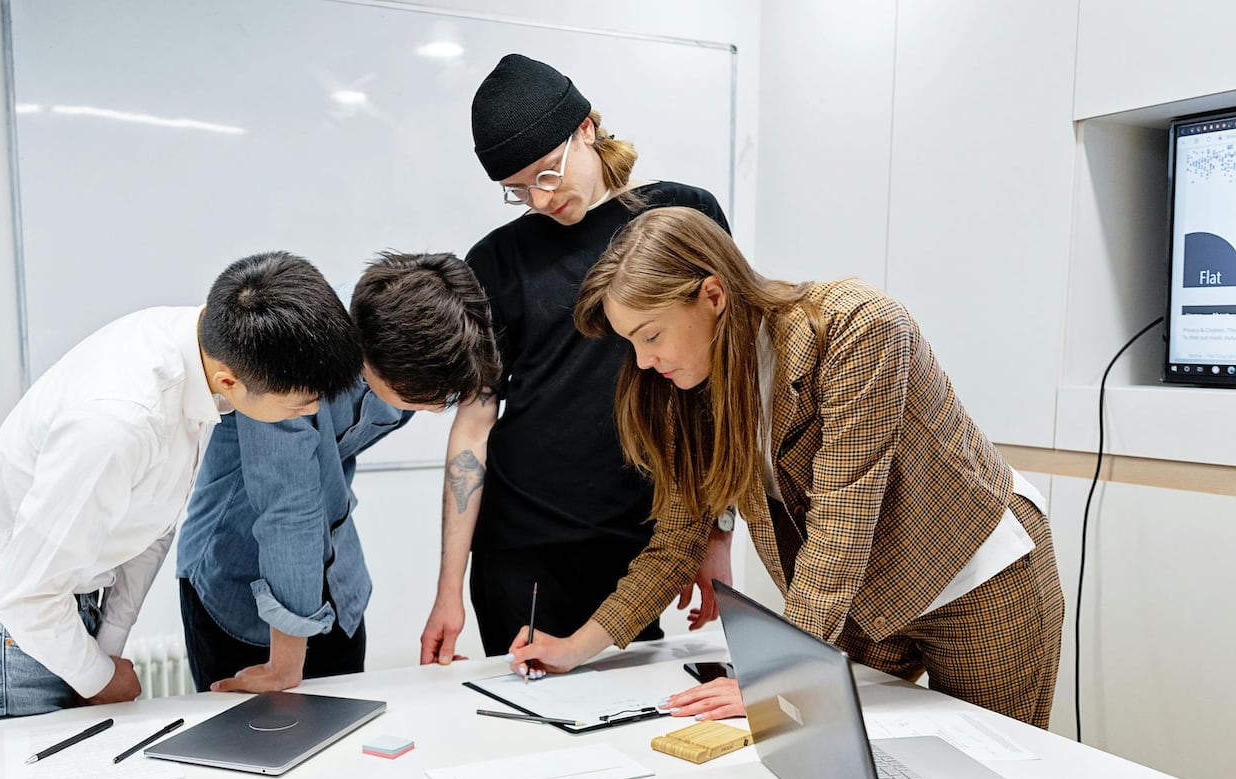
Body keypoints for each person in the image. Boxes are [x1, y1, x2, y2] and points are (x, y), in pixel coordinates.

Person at [513, 206, 1064, 729]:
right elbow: (677, 542)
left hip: (977, 579)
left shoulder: (856, 328)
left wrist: (778, 679)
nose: (643, 361)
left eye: (651, 335)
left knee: (989, 771)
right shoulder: (687, 385)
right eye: (631, 344)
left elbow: (840, 521)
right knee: (836, 759)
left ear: (713, 294)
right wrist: (574, 647)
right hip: (861, 607)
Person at [0, 252, 363, 725]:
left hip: (49, 611)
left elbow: (151, 522)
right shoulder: (118, 420)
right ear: (232, 381)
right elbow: (26, 595)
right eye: (300, 405)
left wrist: (109, 647)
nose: (310, 416)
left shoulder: (200, 358)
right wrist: (102, 677)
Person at [420, 54, 735, 666]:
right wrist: (447, 589)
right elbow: (475, 422)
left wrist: (713, 534)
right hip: (522, 546)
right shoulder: (496, 259)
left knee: (637, 726)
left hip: (646, 536)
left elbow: (718, 386)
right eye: (515, 190)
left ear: (586, 128)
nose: (537, 199)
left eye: (546, 174)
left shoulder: (681, 218)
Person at [177, 252, 500, 693]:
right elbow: (290, 511)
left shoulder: (410, 317)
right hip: (236, 579)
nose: (435, 408)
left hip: (337, 580)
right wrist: (285, 665)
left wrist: (449, 595)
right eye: (432, 400)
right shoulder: (289, 354)